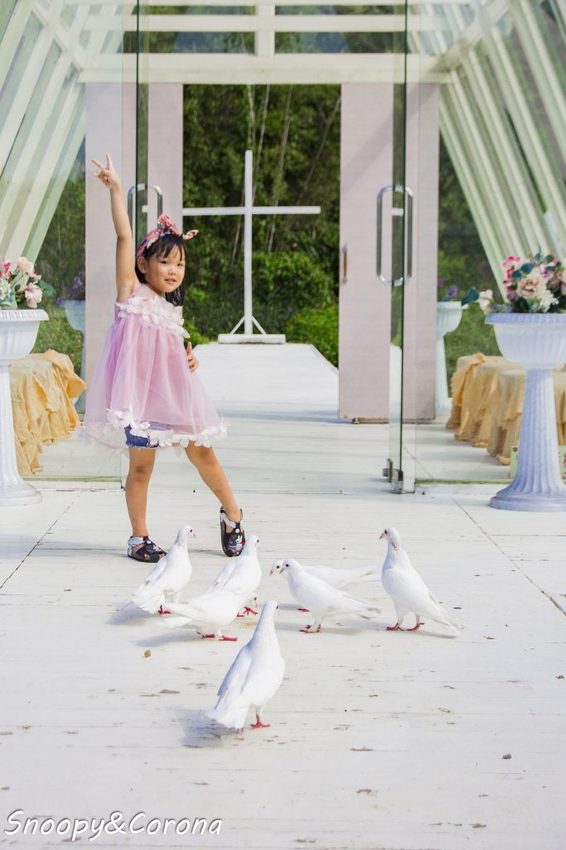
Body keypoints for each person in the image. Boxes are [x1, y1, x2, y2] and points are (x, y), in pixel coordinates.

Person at [83, 154, 245, 563]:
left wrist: (188, 359)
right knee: (140, 469)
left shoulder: (172, 312)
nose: (174, 270)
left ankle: (233, 515)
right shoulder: (130, 294)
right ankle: (139, 537)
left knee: (203, 452)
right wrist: (117, 189)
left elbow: (172, 355)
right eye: (165, 261)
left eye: (180, 263)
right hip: (139, 403)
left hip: (176, 397)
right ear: (143, 264)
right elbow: (123, 235)